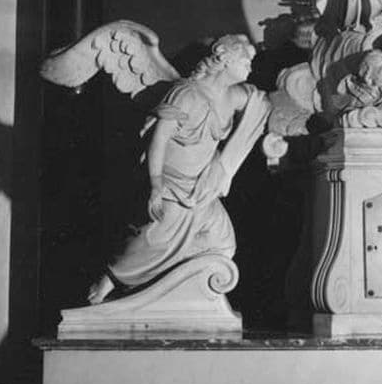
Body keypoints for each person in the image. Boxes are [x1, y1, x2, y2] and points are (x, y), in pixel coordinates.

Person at [87, 35, 270, 304]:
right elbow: (158, 139)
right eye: (245, 61)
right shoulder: (187, 94)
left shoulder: (233, 96)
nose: (250, 67)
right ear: (225, 60)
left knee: (222, 243)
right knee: (155, 241)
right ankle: (111, 278)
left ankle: (175, 287)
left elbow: (259, 102)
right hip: (172, 185)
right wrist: (155, 185)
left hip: (202, 188)